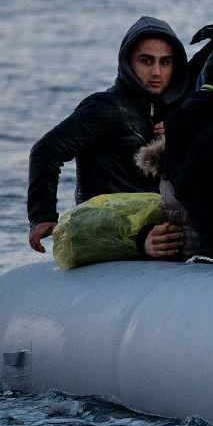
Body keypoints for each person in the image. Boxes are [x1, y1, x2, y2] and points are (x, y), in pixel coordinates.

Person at [27, 16, 188, 256]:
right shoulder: (106, 107)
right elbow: (46, 150)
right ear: (127, 63)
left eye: (165, 62)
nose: (156, 72)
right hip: (104, 226)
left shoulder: (176, 113)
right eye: (146, 61)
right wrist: (42, 215)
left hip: (154, 227)